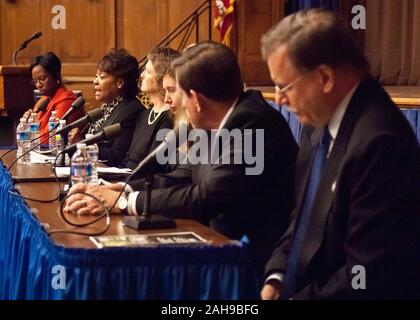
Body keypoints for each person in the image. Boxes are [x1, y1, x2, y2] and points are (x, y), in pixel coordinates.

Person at [64, 41, 298, 278]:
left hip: (252, 265)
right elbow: (185, 176)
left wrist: (125, 203)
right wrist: (123, 190)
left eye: (178, 94)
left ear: (196, 99)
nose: (174, 103)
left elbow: (207, 196)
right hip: (219, 249)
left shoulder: (252, 123)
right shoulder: (217, 121)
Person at [260, 9, 420, 300]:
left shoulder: (380, 143)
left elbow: (366, 276)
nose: (279, 99)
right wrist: (278, 276)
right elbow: (304, 219)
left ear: (324, 78)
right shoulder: (319, 124)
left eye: (285, 86)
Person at [69, 48, 145, 167]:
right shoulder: (104, 109)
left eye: (102, 77)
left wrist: (82, 143)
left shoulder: (132, 110)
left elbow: (116, 156)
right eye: (96, 76)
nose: (95, 81)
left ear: (119, 83)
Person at [121, 48, 179, 171]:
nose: (141, 75)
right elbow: (128, 159)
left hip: (142, 184)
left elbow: (154, 166)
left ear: (161, 77)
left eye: (148, 72)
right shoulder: (144, 115)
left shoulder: (169, 118)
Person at [24, 52, 84, 144]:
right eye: (35, 81)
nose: (38, 85)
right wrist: (27, 122)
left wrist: (29, 132)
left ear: (56, 75)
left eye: (42, 78)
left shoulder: (66, 101)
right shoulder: (43, 99)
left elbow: (46, 139)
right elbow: (28, 136)